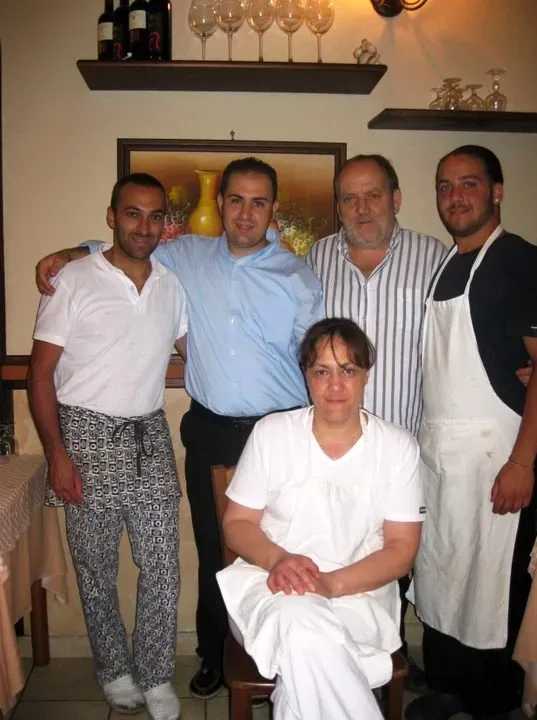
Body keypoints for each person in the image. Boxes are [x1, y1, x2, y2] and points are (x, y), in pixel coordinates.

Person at [34, 157, 324, 699]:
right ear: (221, 203)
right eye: (236, 199)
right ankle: (215, 657)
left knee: (282, 545)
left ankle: (285, 655)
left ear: (274, 209)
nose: (246, 213)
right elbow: (124, 250)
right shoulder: (186, 255)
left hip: (280, 432)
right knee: (215, 552)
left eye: (258, 202)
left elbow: (314, 360)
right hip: (211, 430)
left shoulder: (298, 275)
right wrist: (70, 253)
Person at [28, 173, 188, 720]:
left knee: (162, 564)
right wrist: (57, 454)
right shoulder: (74, 278)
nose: (143, 226)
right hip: (84, 435)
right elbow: (40, 375)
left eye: (154, 215)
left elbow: (196, 346)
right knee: (96, 569)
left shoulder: (171, 284)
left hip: (149, 434)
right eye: (132, 213)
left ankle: (156, 674)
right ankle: (115, 670)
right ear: (111, 217)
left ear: (165, 223)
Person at [216, 317, 425, 720]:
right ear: (306, 376)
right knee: (300, 622)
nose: (335, 386)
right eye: (322, 372)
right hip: (270, 585)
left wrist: (329, 584)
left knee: (303, 646)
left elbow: (402, 551)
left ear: (366, 375)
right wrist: (279, 560)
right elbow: (236, 525)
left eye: (348, 370)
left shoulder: (398, 448)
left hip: (360, 594)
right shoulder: (273, 433)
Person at [305, 154, 447, 689]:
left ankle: (390, 660)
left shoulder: (435, 258)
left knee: (398, 562)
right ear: (337, 206)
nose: (362, 208)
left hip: (401, 449)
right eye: (349, 198)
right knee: (333, 552)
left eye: (373, 195)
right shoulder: (316, 258)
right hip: (332, 448)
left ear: (396, 198)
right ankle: (331, 661)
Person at [406, 145, 537, 720]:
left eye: (468, 184)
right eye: (445, 186)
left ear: (497, 191)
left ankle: (492, 704)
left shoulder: (518, 261)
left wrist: (523, 463)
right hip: (441, 458)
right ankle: (449, 689)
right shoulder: (448, 263)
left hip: (496, 459)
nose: (454, 197)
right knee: (443, 572)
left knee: (492, 587)